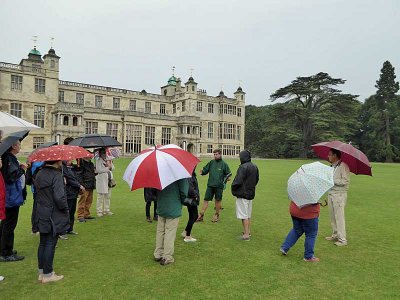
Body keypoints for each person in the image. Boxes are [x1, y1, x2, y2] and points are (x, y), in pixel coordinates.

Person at [33, 160, 69, 283]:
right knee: (50, 242)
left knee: (43, 242)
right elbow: (59, 197)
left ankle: (42, 272)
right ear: (57, 161)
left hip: (41, 211)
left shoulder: (39, 173)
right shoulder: (56, 175)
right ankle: (48, 274)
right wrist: (65, 208)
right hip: (52, 212)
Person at [0, 140, 26, 262]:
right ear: (13, 146)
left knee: (5, 224)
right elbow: (10, 177)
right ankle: (6, 252)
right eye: (19, 144)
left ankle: (4, 249)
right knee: (9, 225)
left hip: (10, 196)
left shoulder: (9, 157)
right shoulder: (8, 159)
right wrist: (22, 169)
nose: (20, 146)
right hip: (11, 197)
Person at [154, 178, 188, 266]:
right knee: (169, 232)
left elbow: (155, 189)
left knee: (160, 231)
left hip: (162, 204)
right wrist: (183, 201)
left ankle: (158, 253)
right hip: (173, 205)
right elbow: (184, 191)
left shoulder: (159, 171)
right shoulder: (179, 174)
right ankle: (167, 256)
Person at [196, 149, 231, 223]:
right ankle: (201, 215)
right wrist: (202, 172)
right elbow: (205, 170)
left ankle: (216, 215)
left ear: (220, 154)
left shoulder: (224, 164)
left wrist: (225, 180)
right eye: (214, 154)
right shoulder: (211, 162)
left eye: (217, 154)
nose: (215, 156)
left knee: (217, 201)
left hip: (219, 187)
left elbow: (229, 176)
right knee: (206, 200)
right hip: (210, 185)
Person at [231, 150, 259, 241]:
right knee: (247, 214)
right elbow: (256, 179)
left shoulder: (243, 167)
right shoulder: (254, 166)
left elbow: (238, 181)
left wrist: (234, 189)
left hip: (242, 194)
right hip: (250, 193)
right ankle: (247, 231)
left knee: (244, 215)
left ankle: (246, 234)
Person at [325, 148, 350, 246]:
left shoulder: (343, 166)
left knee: (339, 217)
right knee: (332, 216)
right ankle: (335, 234)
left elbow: (345, 181)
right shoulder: (333, 166)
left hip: (339, 195)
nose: (328, 156)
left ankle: (342, 239)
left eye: (330, 154)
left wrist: (333, 180)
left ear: (335, 155)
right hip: (331, 193)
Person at [62, 160, 85, 236]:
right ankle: (63, 231)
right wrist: (79, 185)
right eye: (69, 159)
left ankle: (70, 229)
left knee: (72, 212)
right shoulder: (63, 169)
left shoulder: (71, 168)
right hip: (68, 192)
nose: (71, 160)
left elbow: (76, 177)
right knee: (67, 212)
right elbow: (69, 179)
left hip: (73, 192)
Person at [76, 156, 96, 222]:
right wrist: (81, 185)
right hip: (85, 185)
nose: (91, 156)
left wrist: (94, 173)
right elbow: (79, 175)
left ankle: (86, 214)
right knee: (82, 201)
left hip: (91, 184)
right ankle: (80, 215)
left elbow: (92, 173)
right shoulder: (81, 164)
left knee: (89, 201)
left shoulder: (91, 164)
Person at [181, 170, 200, 242]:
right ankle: (187, 236)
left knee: (194, 216)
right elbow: (190, 188)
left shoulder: (191, 174)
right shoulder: (189, 175)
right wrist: (195, 195)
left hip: (191, 198)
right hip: (191, 199)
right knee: (193, 216)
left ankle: (185, 232)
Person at [95, 148, 114, 217]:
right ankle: (99, 211)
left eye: (104, 152)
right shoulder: (98, 161)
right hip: (102, 180)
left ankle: (107, 209)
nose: (104, 154)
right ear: (100, 153)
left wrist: (110, 164)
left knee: (108, 196)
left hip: (109, 180)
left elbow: (113, 168)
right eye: (102, 153)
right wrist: (107, 168)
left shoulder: (108, 160)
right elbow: (99, 170)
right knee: (100, 195)